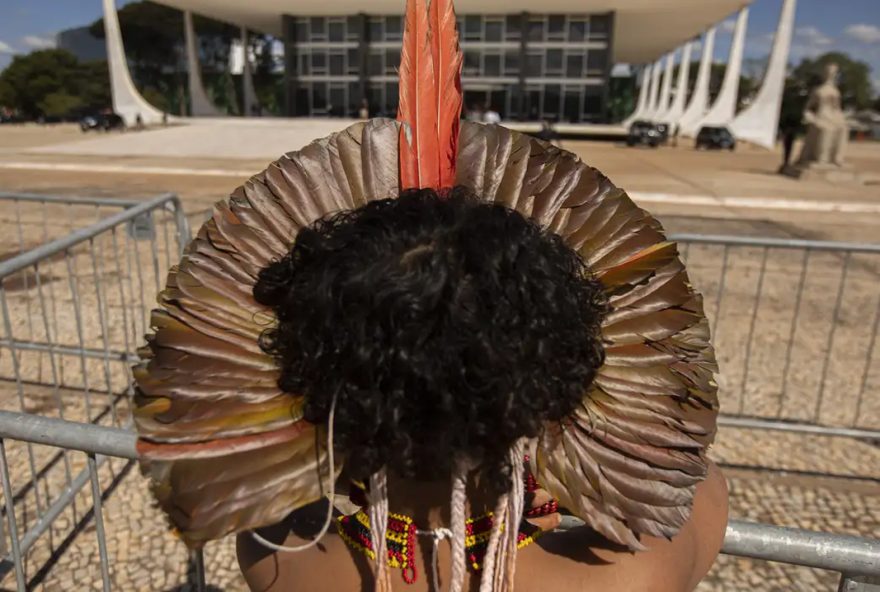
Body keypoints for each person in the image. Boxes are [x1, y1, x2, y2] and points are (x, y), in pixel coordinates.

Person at [132, 0, 724, 590]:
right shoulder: (634, 577)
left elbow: (276, 510)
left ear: (319, 385)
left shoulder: (280, 566)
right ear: (552, 381)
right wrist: (552, 460)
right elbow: (698, 480)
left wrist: (348, 444)